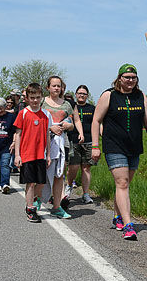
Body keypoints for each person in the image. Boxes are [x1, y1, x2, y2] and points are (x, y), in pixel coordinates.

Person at [91, 63, 147, 240]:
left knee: (125, 184)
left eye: (133, 77)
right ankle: (129, 225)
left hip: (134, 146)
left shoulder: (140, 96)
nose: (130, 80)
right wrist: (95, 146)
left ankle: (117, 215)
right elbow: (96, 121)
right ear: (119, 78)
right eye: (127, 77)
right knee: (122, 183)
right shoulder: (109, 95)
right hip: (114, 145)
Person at [39, 76, 83, 219]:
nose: (56, 88)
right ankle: (37, 198)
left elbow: (74, 121)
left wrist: (69, 126)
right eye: (54, 86)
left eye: (59, 86)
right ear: (48, 87)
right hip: (43, 142)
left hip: (62, 143)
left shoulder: (67, 104)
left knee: (59, 175)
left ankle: (56, 206)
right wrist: (49, 127)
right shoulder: (41, 102)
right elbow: (35, 119)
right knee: (41, 173)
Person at [13, 82, 52, 223]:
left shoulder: (46, 114)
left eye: (37, 97)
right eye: (32, 97)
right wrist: (17, 155)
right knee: (30, 183)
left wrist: (48, 154)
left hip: (41, 154)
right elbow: (18, 134)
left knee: (41, 183)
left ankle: (33, 198)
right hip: (27, 154)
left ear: (42, 97)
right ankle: (30, 208)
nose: (35, 100)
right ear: (27, 98)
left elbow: (47, 135)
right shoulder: (23, 114)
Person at [65, 85, 97, 204]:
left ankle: (86, 193)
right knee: (73, 167)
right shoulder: (71, 107)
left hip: (89, 141)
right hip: (73, 140)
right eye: (79, 93)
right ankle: (68, 186)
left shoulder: (92, 108)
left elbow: (97, 124)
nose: (81, 95)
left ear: (87, 95)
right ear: (75, 94)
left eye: (84, 93)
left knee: (86, 167)